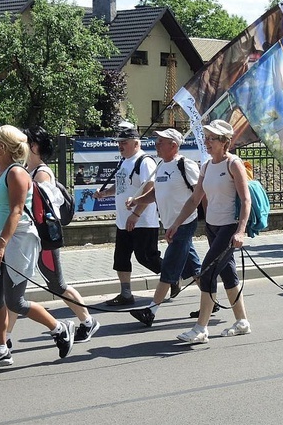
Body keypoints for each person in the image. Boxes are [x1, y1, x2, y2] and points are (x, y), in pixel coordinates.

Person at [0, 125, 74, 369]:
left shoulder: (16, 173)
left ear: (2, 147)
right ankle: (0, 349)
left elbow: (17, 211)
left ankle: (60, 328)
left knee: (15, 302)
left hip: (16, 240)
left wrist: (1, 244)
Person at [167, 119, 251, 344]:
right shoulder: (206, 166)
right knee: (227, 274)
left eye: (212, 138)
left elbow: (245, 199)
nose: (207, 142)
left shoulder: (233, 164)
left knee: (207, 272)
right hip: (212, 227)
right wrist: (176, 224)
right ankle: (242, 321)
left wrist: (241, 231)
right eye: (206, 137)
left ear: (225, 142)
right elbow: (195, 198)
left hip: (229, 227)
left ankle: (200, 328)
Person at [15, 126, 100, 342]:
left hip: (43, 239)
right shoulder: (26, 169)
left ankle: (88, 322)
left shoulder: (42, 173)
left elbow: (44, 210)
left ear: (33, 146)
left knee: (57, 285)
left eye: (23, 142)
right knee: (14, 287)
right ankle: (1, 338)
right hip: (28, 238)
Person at [126, 128, 203, 327]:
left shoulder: (185, 165)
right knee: (193, 266)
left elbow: (199, 194)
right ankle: (211, 301)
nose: (156, 144)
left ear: (174, 146)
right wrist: (137, 201)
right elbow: (155, 194)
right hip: (170, 223)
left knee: (169, 265)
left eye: (161, 142)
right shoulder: (160, 165)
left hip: (184, 222)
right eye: (156, 141)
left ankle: (151, 311)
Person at [93, 126, 161, 306]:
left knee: (146, 257)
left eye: (124, 142)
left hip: (143, 221)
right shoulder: (124, 161)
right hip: (123, 220)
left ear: (136, 143)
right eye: (119, 143)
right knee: (121, 259)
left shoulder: (145, 161)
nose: (120, 146)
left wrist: (136, 214)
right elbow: (121, 186)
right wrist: (105, 193)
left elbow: (150, 190)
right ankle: (126, 294)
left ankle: (171, 276)